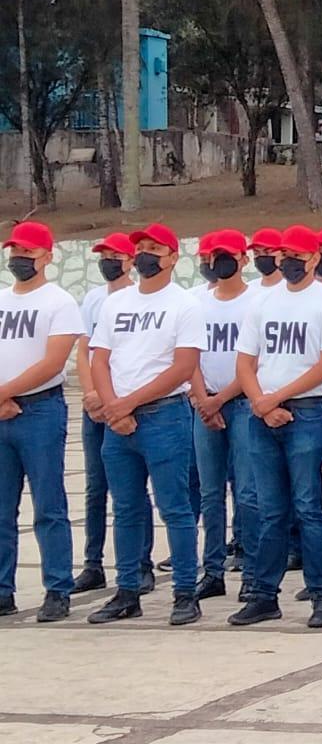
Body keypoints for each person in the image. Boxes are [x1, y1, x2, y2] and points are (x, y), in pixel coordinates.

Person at [86, 223, 205, 626]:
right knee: (126, 508)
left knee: (175, 507)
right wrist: (112, 406)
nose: (144, 256)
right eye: (140, 249)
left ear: (173, 257)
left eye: (155, 249)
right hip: (119, 422)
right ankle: (128, 590)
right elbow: (99, 358)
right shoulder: (115, 304)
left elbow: (184, 367)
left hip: (163, 416)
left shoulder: (184, 304)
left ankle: (186, 592)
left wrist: (128, 404)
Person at [230, 224, 322, 629]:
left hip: (307, 411)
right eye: (284, 256)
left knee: (308, 507)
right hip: (263, 414)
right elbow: (245, 361)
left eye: (297, 256)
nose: (289, 263)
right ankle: (264, 594)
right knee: (270, 511)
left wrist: (275, 399)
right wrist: (262, 403)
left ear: (314, 258)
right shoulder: (262, 302)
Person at [0, 221, 84, 621]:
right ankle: (3, 589)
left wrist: (5, 394)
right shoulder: (1, 299)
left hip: (39, 411)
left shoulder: (59, 302)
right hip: (2, 411)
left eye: (28, 253)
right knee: (1, 509)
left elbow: (54, 362)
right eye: (14, 252)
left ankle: (57, 588)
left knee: (49, 504)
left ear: (47, 257)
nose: (19, 260)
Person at [72, 232, 151, 597]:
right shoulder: (92, 299)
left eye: (113, 255)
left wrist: (115, 401)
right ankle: (93, 563)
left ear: (130, 260)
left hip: (125, 404)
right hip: (97, 406)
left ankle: (140, 564)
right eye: (102, 255)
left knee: (132, 492)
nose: (107, 261)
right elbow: (86, 350)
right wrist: (92, 394)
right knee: (95, 487)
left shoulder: (138, 298)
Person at [190, 230, 260, 603]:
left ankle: (251, 570)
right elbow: (188, 356)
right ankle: (212, 570)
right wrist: (204, 399)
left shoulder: (257, 302)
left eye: (227, 255)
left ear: (243, 259)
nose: (219, 263)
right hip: (205, 403)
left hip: (244, 403)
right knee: (210, 492)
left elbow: (257, 359)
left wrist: (223, 398)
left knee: (248, 492)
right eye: (213, 256)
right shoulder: (197, 302)